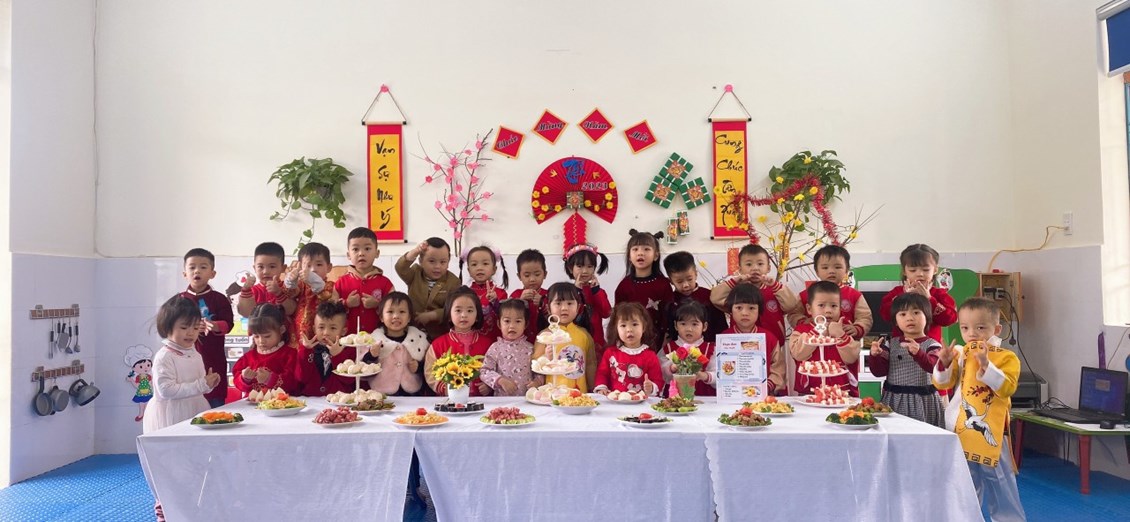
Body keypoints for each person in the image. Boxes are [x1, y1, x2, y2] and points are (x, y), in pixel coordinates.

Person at [933, 298, 1024, 521]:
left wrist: (986, 365)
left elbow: (1007, 388)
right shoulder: (960, 353)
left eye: (980, 327)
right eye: (965, 328)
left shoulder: (1006, 357)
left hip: (992, 432)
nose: (972, 333)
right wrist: (944, 364)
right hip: (962, 429)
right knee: (964, 484)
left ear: (997, 329)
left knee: (1000, 483)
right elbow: (943, 384)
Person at [144, 296, 222, 522]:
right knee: (169, 467)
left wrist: (209, 383)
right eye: (184, 327)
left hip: (193, 410)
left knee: (194, 464)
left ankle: (191, 510)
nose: (190, 333)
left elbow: (197, 385)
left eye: (195, 328)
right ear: (168, 327)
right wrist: (201, 385)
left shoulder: (194, 352)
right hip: (169, 416)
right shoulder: (164, 356)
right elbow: (167, 390)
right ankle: (165, 512)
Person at [868, 293, 944, 427]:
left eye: (916, 312)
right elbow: (879, 372)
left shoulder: (933, 345)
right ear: (895, 321)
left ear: (927, 317)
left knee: (923, 434)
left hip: (923, 402)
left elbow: (933, 368)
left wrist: (918, 353)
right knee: (895, 433)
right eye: (903, 314)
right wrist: (875, 356)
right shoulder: (890, 344)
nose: (909, 318)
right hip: (894, 400)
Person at [710, 243, 798, 346]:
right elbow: (715, 298)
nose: (755, 268)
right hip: (740, 344)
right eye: (749, 264)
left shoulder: (775, 290)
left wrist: (775, 285)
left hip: (774, 345)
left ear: (768, 268)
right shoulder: (735, 291)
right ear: (739, 269)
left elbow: (791, 305)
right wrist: (734, 281)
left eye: (760, 264)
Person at [178, 248, 234, 407]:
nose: (197, 271)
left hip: (213, 360)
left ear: (212, 273)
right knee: (187, 403)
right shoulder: (178, 301)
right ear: (185, 273)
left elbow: (229, 324)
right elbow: (169, 328)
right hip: (184, 361)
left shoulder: (220, 299)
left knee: (214, 406)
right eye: (192, 267)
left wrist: (215, 325)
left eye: (203, 267)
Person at [789, 281, 861, 396]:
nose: (828, 310)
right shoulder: (802, 330)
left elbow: (852, 357)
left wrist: (840, 335)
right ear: (809, 309)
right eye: (821, 305)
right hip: (809, 393)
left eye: (834, 306)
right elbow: (797, 354)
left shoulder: (846, 328)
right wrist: (816, 332)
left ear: (840, 308)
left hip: (842, 392)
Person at [789, 245, 872, 339]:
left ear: (847, 270)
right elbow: (794, 313)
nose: (831, 271)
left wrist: (857, 328)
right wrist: (803, 322)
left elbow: (865, 317)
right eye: (825, 268)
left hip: (845, 341)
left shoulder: (854, 295)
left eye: (837, 267)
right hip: (814, 341)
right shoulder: (806, 294)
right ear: (817, 271)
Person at [423, 286, 493, 396]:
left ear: (477, 316)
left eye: (469, 310)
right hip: (449, 401)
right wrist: (445, 389)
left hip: (481, 401)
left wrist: (489, 385)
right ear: (449, 315)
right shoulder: (438, 345)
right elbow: (430, 373)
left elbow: (496, 369)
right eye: (458, 310)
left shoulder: (488, 344)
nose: (464, 315)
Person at [880, 243, 956, 344]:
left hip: (930, 349)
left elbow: (950, 319)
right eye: (913, 270)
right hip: (901, 348)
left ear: (935, 270)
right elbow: (885, 315)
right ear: (904, 271)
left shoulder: (939, 294)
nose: (920, 274)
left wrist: (929, 299)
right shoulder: (897, 292)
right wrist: (903, 298)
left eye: (926, 270)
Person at [720, 284, 786, 396]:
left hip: (765, 396)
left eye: (751, 308)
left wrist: (767, 386)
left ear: (759, 310)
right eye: (739, 308)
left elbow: (778, 369)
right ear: (730, 310)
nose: (745, 313)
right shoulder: (724, 338)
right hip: (731, 394)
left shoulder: (769, 338)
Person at [532, 283, 599, 392]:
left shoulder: (584, 334)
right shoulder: (545, 336)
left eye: (570, 303)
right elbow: (535, 363)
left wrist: (592, 388)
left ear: (578, 307)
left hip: (579, 394)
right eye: (558, 303)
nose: (564, 308)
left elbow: (591, 363)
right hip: (552, 394)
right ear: (548, 308)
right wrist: (546, 357)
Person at [614, 229, 673, 347]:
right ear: (629, 256)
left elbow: (669, 315)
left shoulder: (663, 284)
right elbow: (618, 318)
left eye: (646, 249)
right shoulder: (624, 286)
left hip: (658, 342)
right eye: (635, 249)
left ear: (656, 255)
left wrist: (666, 341)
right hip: (630, 342)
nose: (640, 253)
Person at [395, 237, 462, 340]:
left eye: (443, 262)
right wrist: (415, 251)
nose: (437, 266)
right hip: (412, 331)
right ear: (421, 261)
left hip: (438, 333)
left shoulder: (454, 282)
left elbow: (454, 309)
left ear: (448, 262)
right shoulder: (415, 273)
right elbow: (400, 268)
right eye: (431, 261)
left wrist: (433, 315)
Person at [364, 292, 430, 396]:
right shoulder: (373, 340)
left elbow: (430, 365)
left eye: (402, 312)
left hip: (413, 395)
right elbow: (362, 370)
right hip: (381, 395)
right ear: (381, 317)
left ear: (409, 317)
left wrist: (419, 367)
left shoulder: (419, 338)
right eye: (390, 312)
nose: (396, 316)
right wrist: (371, 356)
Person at [593, 302, 663, 395]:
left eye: (634, 324)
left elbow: (658, 380)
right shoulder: (610, 353)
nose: (629, 329)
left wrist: (651, 387)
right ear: (616, 329)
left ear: (644, 327)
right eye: (623, 325)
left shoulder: (650, 356)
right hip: (615, 401)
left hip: (641, 402)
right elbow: (602, 374)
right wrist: (602, 387)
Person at [334, 227, 394, 334]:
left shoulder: (386, 283)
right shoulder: (340, 283)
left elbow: (395, 309)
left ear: (377, 253)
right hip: (346, 339)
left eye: (367, 248)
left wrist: (378, 304)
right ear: (348, 255)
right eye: (355, 249)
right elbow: (330, 310)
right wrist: (346, 303)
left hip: (378, 339)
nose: (361, 253)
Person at [231, 304, 298, 395]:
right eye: (256, 336)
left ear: (281, 330)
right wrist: (245, 379)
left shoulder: (290, 355)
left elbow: (294, 383)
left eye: (267, 336)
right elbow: (237, 382)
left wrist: (270, 379)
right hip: (253, 403)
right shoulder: (248, 357)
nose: (261, 341)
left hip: (282, 402)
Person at [480, 299, 541, 396]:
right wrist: (500, 380)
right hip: (502, 400)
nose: (512, 326)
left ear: (525, 324)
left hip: (526, 399)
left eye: (518, 321)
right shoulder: (495, 348)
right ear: (499, 324)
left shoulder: (531, 348)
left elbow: (540, 370)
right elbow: (484, 371)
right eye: (507, 321)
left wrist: (537, 382)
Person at [663, 250, 726, 343]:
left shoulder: (709, 296)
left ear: (696, 274)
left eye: (689, 279)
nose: (686, 285)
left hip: (710, 346)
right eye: (679, 282)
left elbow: (721, 327)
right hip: (679, 349)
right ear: (670, 281)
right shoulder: (670, 301)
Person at [294, 301, 355, 396]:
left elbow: (349, 380)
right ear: (314, 329)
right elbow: (301, 378)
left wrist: (338, 356)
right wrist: (305, 351)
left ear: (343, 331)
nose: (326, 333)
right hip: (311, 399)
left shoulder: (349, 350)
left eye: (333, 328)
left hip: (339, 401)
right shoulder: (309, 350)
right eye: (321, 327)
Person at [284, 242, 338, 349]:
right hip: (297, 336)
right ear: (300, 267)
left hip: (321, 338)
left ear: (329, 267)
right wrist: (291, 281)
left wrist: (314, 281)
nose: (313, 269)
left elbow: (325, 295)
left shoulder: (331, 286)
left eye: (319, 265)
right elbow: (289, 294)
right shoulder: (301, 285)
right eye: (308, 266)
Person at [659, 301, 716, 397]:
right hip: (675, 398)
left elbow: (720, 375)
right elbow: (659, 373)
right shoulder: (668, 349)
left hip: (705, 398)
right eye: (683, 324)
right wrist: (671, 368)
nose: (689, 329)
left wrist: (704, 376)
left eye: (694, 324)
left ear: (704, 326)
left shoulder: (711, 349)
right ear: (676, 325)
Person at [565, 242, 612, 354]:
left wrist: (596, 292)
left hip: (596, 343)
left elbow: (607, 313)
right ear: (571, 268)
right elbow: (567, 315)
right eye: (580, 266)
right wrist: (576, 291)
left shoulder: (598, 291)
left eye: (589, 266)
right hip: (573, 343)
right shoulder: (567, 292)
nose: (585, 271)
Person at [461, 245, 509, 342]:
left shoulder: (501, 293)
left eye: (485, 264)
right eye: (474, 264)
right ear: (469, 270)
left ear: (494, 269)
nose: (479, 268)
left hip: (494, 342)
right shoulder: (464, 294)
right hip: (471, 342)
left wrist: (495, 302)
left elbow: (506, 316)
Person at [237, 241, 296, 317]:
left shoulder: (288, 288)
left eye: (272, 266)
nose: (265, 272)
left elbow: (291, 310)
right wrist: (245, 289)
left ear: (283, 268)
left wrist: (279, 293)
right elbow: (246, 313)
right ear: (254, 268)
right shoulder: (252, 290)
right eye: (260, 267)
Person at [511, 249, 549, 344]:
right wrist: (520, 302)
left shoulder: (549, 295)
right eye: (527, 275)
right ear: (519, 276)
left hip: (545, 342)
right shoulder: (515, 295)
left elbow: (555, 318)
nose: (532, 279)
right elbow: (508, 316)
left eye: (537, 274)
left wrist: (542, 303)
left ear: (545, 274)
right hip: (520, 343)